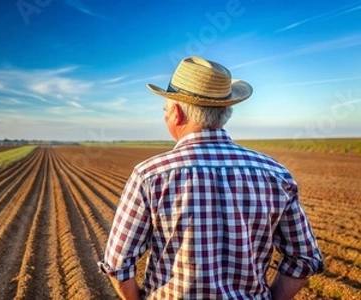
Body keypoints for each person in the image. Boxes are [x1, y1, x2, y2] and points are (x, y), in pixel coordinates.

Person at [98, 56, 324, 299]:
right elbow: (303, 258)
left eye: (165, 109)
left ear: (176, 113)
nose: (165, 116)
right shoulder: (276, 174)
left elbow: (118, 264)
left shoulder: (150, 175)